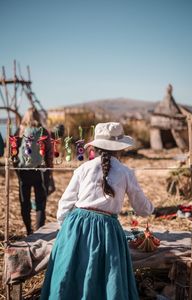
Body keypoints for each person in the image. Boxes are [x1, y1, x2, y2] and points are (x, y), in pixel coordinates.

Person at [40, 122, 154, 300]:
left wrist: (67, 232)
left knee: (71, 273)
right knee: (107, 276)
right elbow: (142, 208)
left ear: (96, 147)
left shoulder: (83, 168)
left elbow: (65, 204)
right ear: (120, 149)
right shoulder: (126, 172)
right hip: (107, 231)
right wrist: (150, 208)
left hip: (76, 226)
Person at [16, 107, 53, 235]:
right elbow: (49, 153)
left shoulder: (20, 131)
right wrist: (50, 170)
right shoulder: (44, 132)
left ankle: (28, 230)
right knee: (40, 203)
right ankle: (38, 232)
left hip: (23, 171)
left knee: (24, 201)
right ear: (38, 117)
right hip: (41, 171)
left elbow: (13, 152)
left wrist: (17, 169)